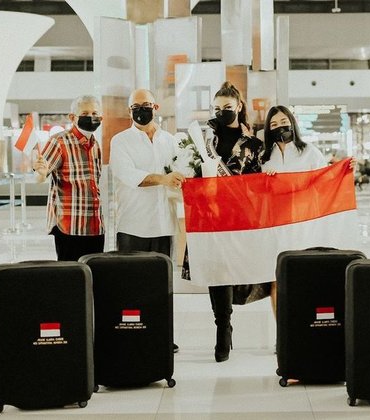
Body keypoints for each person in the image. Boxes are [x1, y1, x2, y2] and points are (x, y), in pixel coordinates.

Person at [189, 81, 264, 363]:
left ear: (239, 107)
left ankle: (230, 320)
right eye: (217, 109)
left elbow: (258, 182)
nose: (222, 113)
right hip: (211, 216)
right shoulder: (205, 143)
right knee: (216, 271)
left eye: (227, 108)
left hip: (241, 217)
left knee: (234, 270)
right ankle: (223, 328)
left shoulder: (254, 145)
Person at [109, 89, 184, 353]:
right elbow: (128, 174)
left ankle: (162, 336)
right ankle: (132, 337)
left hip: (165, 225)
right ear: (129, 111)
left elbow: (183, 171)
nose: (142, 110)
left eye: (146, 105)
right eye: (136, 106)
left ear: (156, 107)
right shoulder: (120, 141)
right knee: (131, 286)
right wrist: (164, 179)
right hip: (133, 225)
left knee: (162, 287)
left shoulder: (171, 141)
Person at [260, 105, 328, 317]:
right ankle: (282, 334)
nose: (279, 127)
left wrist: (346, 169)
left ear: (292, 123)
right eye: (273, 124)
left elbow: (325, 180)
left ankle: (301, 330)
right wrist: (265, 181)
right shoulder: (264, 156)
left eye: (283, 122)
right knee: (276, 279)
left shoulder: (309, 152)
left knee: (301, 278)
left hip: (302, 226)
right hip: (273, 227)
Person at [33, 95, 105, 261]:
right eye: (85, 113)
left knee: (94, 276)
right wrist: (41, 173)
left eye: (95, 113)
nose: (91, 117)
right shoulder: (59, 142)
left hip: (94, 225)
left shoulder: (95, 145)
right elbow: (40, 175)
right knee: (72, 277)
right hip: (70, 225)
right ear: (72, 117)